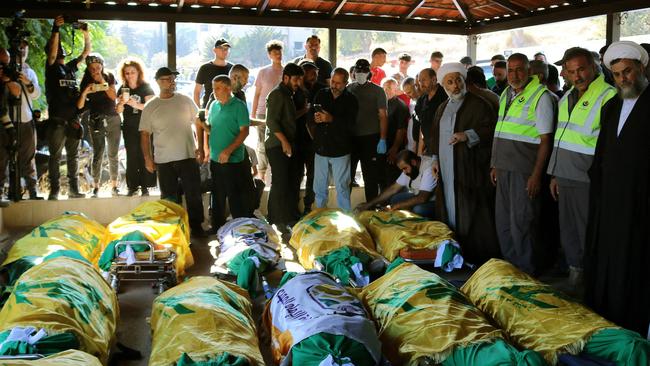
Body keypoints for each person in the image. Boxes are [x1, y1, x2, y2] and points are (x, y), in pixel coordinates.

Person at [585, 41, 650, 336]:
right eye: (617, 74)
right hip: (609, 198)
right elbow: (602, 154)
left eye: (628, 72)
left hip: (640, 200)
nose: (623, 79)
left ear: (641, 68)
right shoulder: (611, 106)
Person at [546, 47, 617, 292]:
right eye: (572, 71)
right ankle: (576, 276)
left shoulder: (608, 96)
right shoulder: (567, 97)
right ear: (564, 72)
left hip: (588, 178)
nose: (578, 76)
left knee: (589, 231)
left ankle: (593, 282)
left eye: (582, 69)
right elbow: (560, 137)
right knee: (569, 230)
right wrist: (554, 173)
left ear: (594, 67)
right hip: (565, 174)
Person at [490, 53, 555, 275]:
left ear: (529, 72)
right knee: (504, 223)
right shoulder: (506, 93)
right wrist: (495, 164)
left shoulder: (541, 96)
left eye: (519, 70)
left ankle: (528, 273)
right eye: (510, 70)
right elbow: (502, 130)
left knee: (523, 223)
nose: (514, 75)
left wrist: (537, 175)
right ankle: (512, 271)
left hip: (524, 171)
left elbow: (546, 140)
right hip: (504, 167)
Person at [429, 62, 500, 264]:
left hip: (469, 168)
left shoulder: (478, 104)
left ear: (464, 81)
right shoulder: (442, 107)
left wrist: (468, 135)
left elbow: (491, 129)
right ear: (444, 86)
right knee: (449, 210)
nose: (455, 86)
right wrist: (434, 159)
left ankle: (477, 257)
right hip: (445, 166)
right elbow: (435, 136)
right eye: (450, 82)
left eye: (458, 80)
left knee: (472, 211)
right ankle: (454, 253)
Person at [140, 67, 206, 237]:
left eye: (172, 79)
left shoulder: (185, 100)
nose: (170, 82)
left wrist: (200, 146)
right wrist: (148, 158)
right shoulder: (151, 106)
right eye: (166, 79)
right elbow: (145, 134)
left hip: (187, 155)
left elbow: (198, 123)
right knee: (169, 197)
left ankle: (196, 227)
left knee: (193, 194)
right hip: (163, 159)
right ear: (157, 82)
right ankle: (173, 228)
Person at [44, 15, 90, 200]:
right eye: (57, 46)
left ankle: (73, 189)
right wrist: (55, 29)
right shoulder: (51, 68)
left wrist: (86, 34)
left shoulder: (70, 68)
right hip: (57, 122)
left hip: (73, 120)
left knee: (73, 157)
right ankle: (54, 190)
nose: (61, 49)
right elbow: (53, 54)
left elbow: (86, 53)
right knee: (55, 157)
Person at [205, 75, 254, 229]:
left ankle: (239, 229)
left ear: (228, 88)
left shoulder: (239, 106)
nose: (214, 92)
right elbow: (212, 129)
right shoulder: (214, 105)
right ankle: (217, 227)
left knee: (235, 197)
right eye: (213, 88)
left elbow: (244, 132)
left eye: (218, 88)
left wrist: (228, 151)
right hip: (215, 159)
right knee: (217, 195)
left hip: (233, 160)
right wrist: (201, 125)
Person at [312, 68, 358, 211]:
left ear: (346, 83)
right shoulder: (321, 94)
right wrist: (317, 118)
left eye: (338, 83)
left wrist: (331, 119)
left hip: (341, 150)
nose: (334, 86)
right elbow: (311, 116)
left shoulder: (351, 100)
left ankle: (346, 220)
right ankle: (320, 216)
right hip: (321, 148)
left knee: (342, 187)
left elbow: (351, 126)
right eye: (332, 81)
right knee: (319, 188)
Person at [265, 63, 304, 231]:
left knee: (290, 181)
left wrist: (305, 110)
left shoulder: (289, 94)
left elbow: (289, 117)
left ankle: (288, 217)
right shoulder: (277, 94)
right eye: (295, 79)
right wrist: (284, 142)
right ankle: (274, 219)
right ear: (286, 78)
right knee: (280, 182)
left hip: (288, 144)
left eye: (299, 80)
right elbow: (271, 122)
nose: (298, 83)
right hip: (276, 145)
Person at [2, 46, 42, 200]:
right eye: (20, 48)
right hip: (8, 119)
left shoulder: (29, 72)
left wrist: (27, 81)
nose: (23, 51)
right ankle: (10, 191)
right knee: (6, 157)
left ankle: (33, 191)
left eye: (26, 48)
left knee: (29, 157)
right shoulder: (5, 71)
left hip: (26, 119)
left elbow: (36, 94)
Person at [77, 53, 120, 197]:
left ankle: (115, 186)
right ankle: (96, 187)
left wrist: (101, 80)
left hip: (113, 117)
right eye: (92, 68)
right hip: (95, 119)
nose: (95, 70)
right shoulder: (85, 81)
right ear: (88, 69)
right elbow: (80, 106)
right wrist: (85, 92)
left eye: (97, 66)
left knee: (113, 153)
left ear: (102, 65)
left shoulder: (109, 76)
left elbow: (114, 97)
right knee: (98, 153)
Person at [347, 59, 388, 201]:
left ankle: (371, 208)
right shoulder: (349, 89)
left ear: (369, 73)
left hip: (371, 138)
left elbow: (383, 116)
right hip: (351, 139)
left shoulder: (378, 91)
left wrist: (383, 138)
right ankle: (345, 209)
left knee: (370, 177)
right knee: (348, 177)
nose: (360, 74)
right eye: (358, 71)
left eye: (364, 71)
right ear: (353, 73)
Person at [116, 58, 156, 196]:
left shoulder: (146, 87)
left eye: (132, 72)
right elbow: (119, 111)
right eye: (127, 73)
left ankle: (146, 186)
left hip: (145, 126)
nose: (129, 75)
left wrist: (135, 105)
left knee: (145, 154)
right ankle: (132, 186)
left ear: (139, 72)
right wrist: (121, 103)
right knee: (131, 156)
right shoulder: (122, 89)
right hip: (128, 126)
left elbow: (150, 108)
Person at [355, 150, 435, 218]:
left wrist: (394, 207)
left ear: (413, 162)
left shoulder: (428, 168)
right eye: (402, 169)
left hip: (431, 201)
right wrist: (370, 204)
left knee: (418, 209)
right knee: (395, 199)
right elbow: (393, 189)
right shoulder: (409, 167)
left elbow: (422, 198)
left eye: (405, 168)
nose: (404, 172)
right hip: (418, 195)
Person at [294, 60, 327, 215]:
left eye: (315, 73)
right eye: (309, 73)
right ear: (302, 74)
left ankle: (309, 207)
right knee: (297, 175)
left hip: (316, 140)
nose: (313, 76)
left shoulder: (322, 90)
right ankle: (294, 209)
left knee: (313, 175)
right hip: (298, 139)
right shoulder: (295, 91)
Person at [252, 40, 284, 182]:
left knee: (277, 141)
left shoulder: (286, 71)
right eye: (275, 53)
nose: (278, 55)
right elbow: (257, 93)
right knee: (261, 143)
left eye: (279, 52)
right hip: (262, 112)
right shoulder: (263, 72)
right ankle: (262, 172)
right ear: (269, 55)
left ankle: (274, 170)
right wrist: (253, 114)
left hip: (279, 112)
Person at [414, 68, 447, 156]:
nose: (421, 84)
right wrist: (420, 151)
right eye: (420, 81)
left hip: (445, 145)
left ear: (434, 79)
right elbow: (423, 125)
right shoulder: (422, 100)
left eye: (424, 80)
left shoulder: (445, 95)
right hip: (429, 148)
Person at [382, 78, 408, 185]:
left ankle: (392, 201)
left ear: (395, 89)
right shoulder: (381, 103)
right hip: (382, 146)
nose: (386, 90)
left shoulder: (400, 106)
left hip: (394, 147)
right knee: (381, 177)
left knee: (392, 178)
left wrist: (395, 148)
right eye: (384, 87)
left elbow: (401, 129)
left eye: (389, 88)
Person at [194, 38, 232, 108]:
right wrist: (198, 111)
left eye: (226, 49)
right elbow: (197, 91)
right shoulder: (205, 68)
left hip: (228, 108)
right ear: (214, 50)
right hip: (208, 108)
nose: (224, 51)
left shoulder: (232, 68)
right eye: (221, 48)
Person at [401, 77, 419, 154]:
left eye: (409, 92)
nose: (408, 96)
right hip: (411, 145)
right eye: (406, 94)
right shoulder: (412, 101)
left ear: (416, 86)